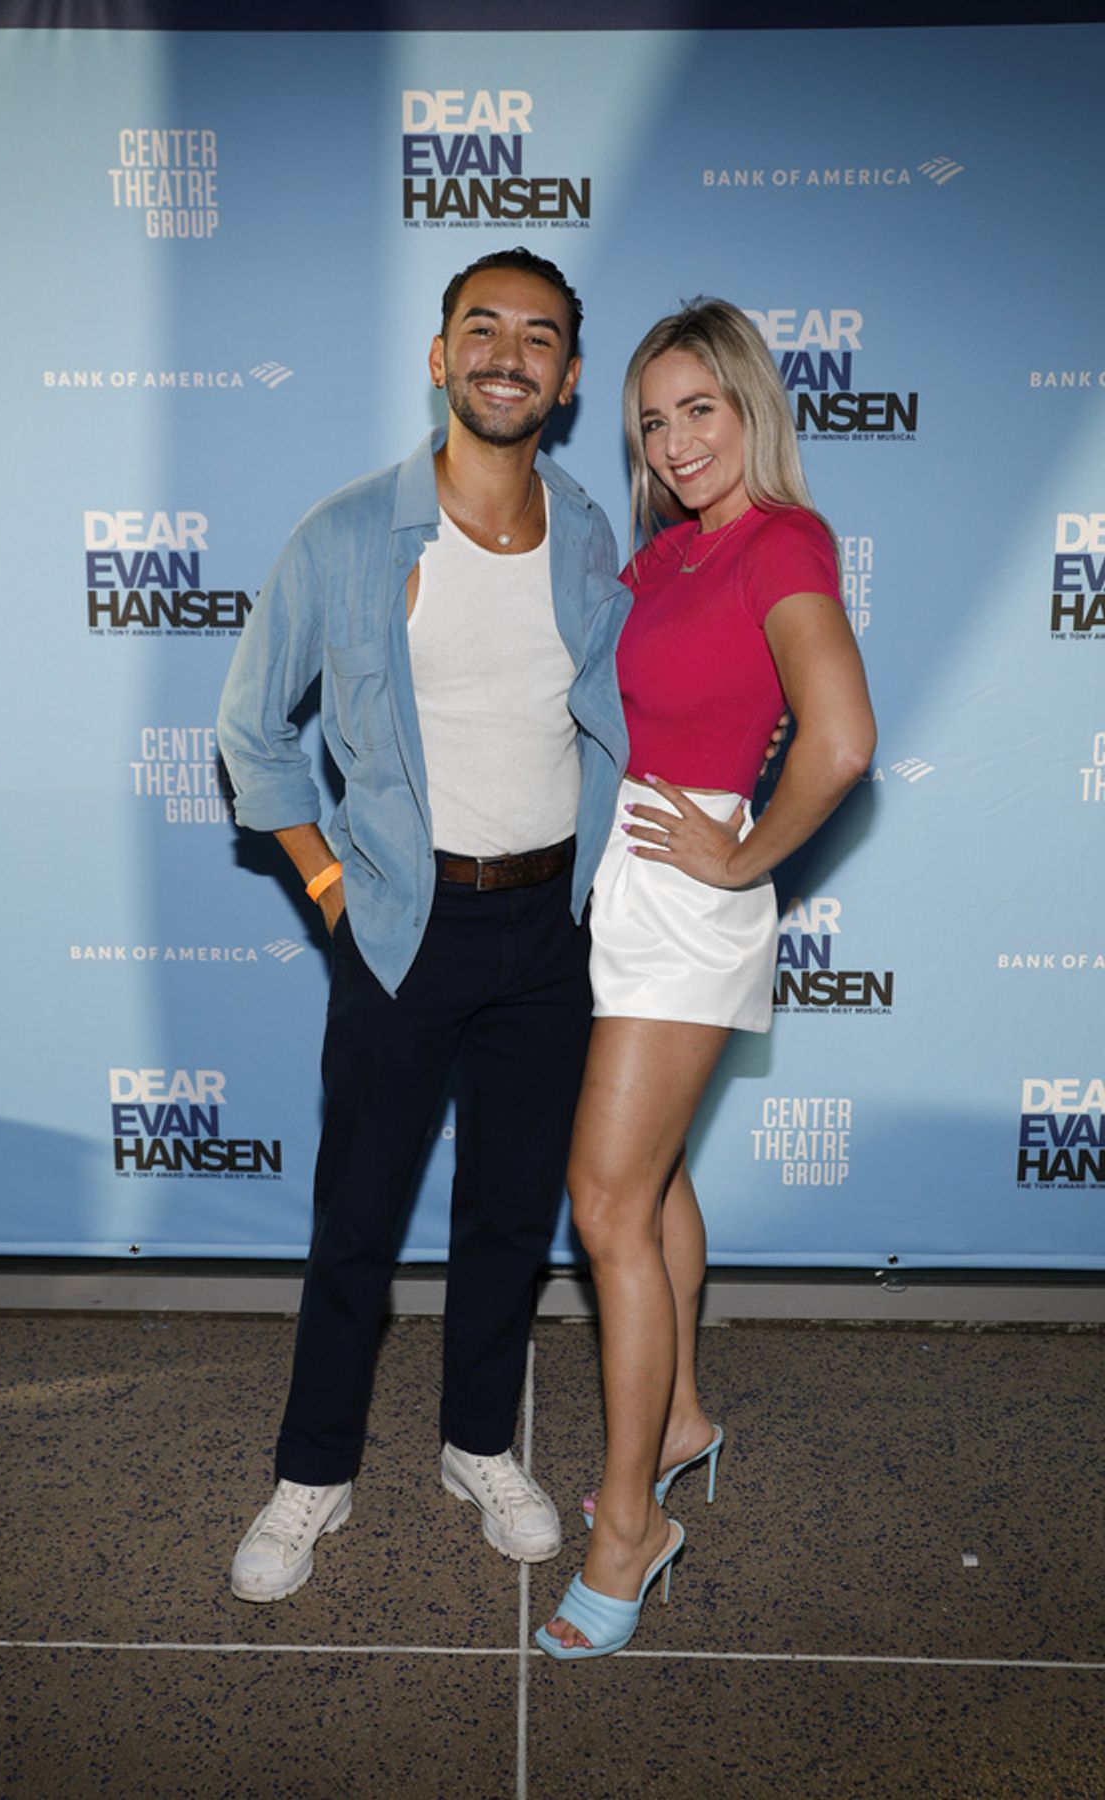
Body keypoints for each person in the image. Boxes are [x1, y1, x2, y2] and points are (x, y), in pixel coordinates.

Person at [216, 249, 632, 1601]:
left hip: (547, 929)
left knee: (512, 1215)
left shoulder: (585, 533)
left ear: (567, 379)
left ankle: (475, 1445)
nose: (510, 353)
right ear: (439, 355)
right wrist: (329, 881)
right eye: (484, 327)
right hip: (402, 925)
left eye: (540, 337)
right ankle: (313, 1473)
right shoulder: (348, 535)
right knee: (358, 1222)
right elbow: (250, 730)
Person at [536, 298, 876, 1660]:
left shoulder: (780, 540)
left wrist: (744, 862)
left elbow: (841, 740)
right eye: (653, 419)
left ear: (751, 409)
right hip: (625, 888)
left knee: (605, 1202)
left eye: (701, 410)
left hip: (689, 897)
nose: (677, 440)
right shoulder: (670, 553)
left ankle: (632, 1521)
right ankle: (677, 1420)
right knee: (658, 1177)